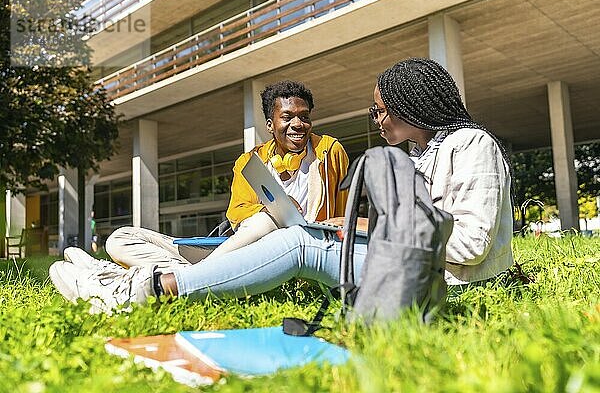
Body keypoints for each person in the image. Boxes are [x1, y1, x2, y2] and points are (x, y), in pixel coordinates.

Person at [50, 58, 514, 314]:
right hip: (403, 263)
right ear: (269, 124)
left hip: (442, 280)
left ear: (410, 105)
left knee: (299, 241)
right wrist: (359, 226)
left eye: (380, 110)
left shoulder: (473, 146)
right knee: (296, 235)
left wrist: (365, 227)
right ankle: (143, 276)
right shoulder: (419, 155)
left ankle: (140, 290)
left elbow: (471, 244)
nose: (376, 121)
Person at [61, 80, 349, 273]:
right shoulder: (251, 161)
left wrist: (303, 223)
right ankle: (198, 274)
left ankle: (186, 277)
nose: (298, 124)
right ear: (271, 125)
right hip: (244, 247)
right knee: (120, 239)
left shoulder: (329, 151)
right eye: (288, 117)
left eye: (305, 116)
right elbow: (237, 214)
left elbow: (342, 213)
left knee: (267, 219)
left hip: (297, 250)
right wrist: (273, 210)